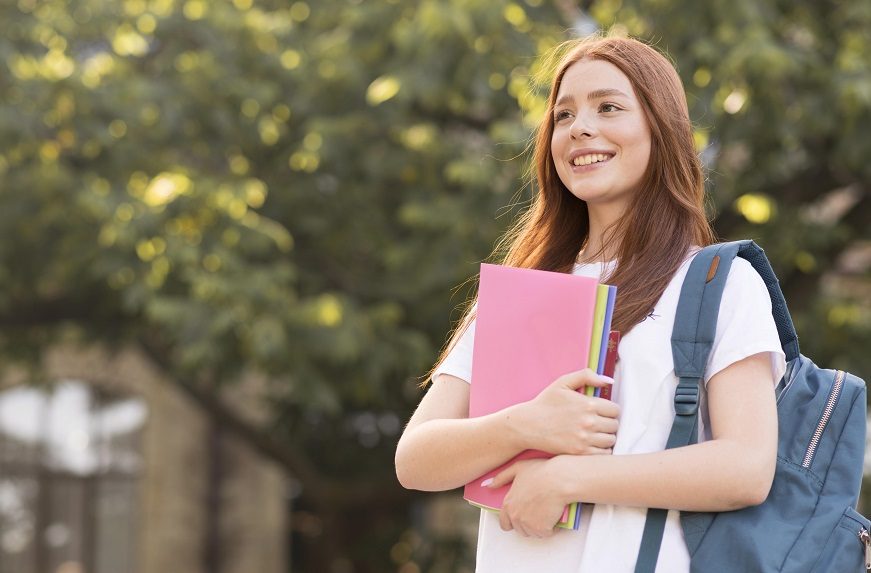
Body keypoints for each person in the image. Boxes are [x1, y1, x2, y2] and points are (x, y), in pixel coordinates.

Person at [394, 34, 786, 572]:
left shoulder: (719, 281)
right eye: (563, 115)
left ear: (659, 128)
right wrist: (525, 425)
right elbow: (416, 459)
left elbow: (746, 467)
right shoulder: (521, 290)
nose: (580, 127)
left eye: (609, 107)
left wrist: (569, 478)